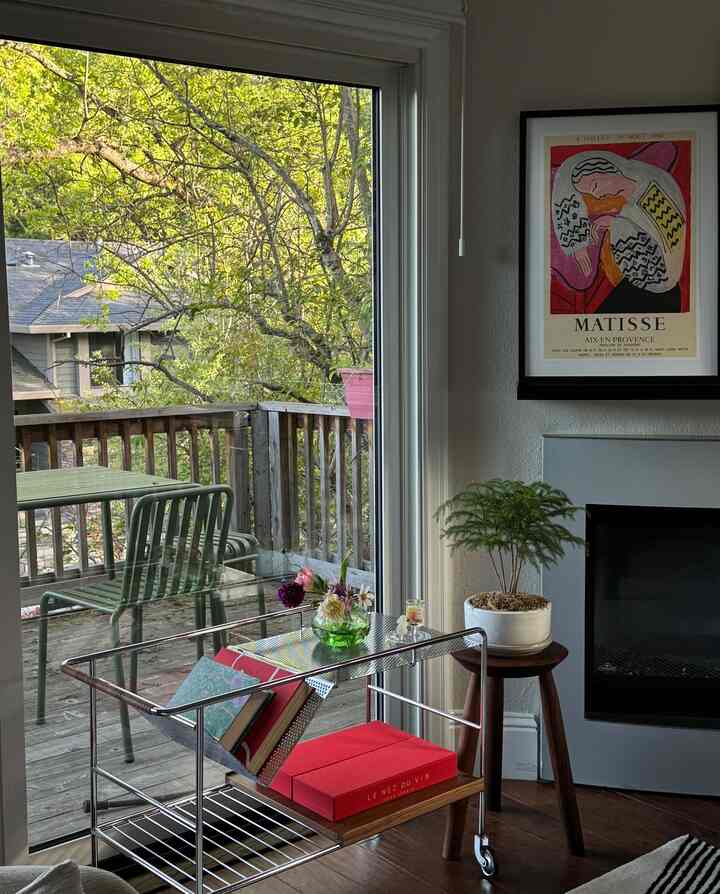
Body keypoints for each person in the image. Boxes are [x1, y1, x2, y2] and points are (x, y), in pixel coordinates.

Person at [551, 149, 687, 313]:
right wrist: (579, 243)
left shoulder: (654, 188)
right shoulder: (631, 196)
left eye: (595, 185)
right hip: (640, 283)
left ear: (609, 169)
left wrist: (617, 224)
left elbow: (666, 239)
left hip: (659, 286)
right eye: (590, 193)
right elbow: (566, 176)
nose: (598, 195)